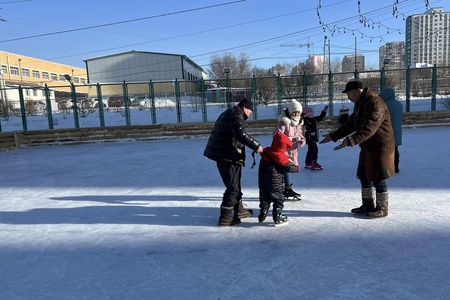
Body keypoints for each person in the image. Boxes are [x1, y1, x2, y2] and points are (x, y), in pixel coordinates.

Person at [319, 80, 395, 219]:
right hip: (367, 145)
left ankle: (382, 208)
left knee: (378, 176)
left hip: (380, 146)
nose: (348, 97)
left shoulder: (376, 104)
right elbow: (352, 124)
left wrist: (350, 141)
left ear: (358, 91)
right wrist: (333, 135)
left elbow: (369, 128)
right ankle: (368, 204)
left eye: (349, 94)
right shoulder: (360, 104)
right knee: (364, 175)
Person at [204, 98, 263, 226]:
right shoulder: (236, 115)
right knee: (233, 188)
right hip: (227, 155)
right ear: (245, 108)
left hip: (228, 154)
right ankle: (225, 217)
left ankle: (239, 210)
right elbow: (240, 135)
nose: (250, 114)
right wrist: (256, 146)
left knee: (235, 184)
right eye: (251, 111)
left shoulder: (231, 113)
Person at [258, 132, 299, 225]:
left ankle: (263, 213)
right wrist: (298, 168)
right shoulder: (280, 156)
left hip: (263, 184)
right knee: (279, 200)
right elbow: (289, 168)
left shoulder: (267, 151)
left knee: (265, 199)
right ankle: (277, 216)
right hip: (275, 185)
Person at [274, 99, 306, 200]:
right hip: (283, 151)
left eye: (298, 112)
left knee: (288, 169)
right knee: (285, 169)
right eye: (294, 112)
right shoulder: (284, 122)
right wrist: (290, 139)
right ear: (290, 112)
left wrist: (301, 140)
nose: (296, 114)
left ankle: (285, 187)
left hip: (293, 151)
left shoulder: (299, 123)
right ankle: (285, 188)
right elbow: (277, 135)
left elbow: (301, 135)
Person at [379, 88, 403, 173]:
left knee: (386, 150)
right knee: (395, 149)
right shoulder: (399, 104)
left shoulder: (384, 105)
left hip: (386, 130)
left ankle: (386, 167)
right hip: (397, 129)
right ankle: (396, 167)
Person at [303, 105, 328, 170]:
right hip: (310, 138)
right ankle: (314, 163)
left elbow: (320, 117)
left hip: (313, 138)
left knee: (311, 150)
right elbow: (301, 122)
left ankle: (308, 162)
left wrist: (324, 111)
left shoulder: (314, 119)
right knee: (314, 150)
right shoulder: (306, 120)